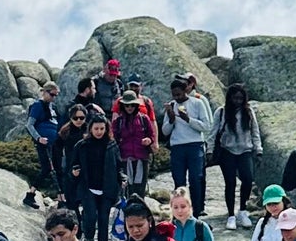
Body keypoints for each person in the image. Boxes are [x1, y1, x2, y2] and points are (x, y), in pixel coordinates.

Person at [160, 77, 217, 214]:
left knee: (196, 179)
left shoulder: (197, 103)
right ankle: (180, 212)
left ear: (185, 90)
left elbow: (206, 126)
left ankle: (196, 212)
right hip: (177, 147)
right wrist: (172, 119)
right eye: (174, 94)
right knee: (179, 180)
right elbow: (165, 131)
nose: (177, 97)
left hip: (194, 145)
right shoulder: (172, 105)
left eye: (179, 94)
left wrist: (188, 119)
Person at [66, 111, 121, 241]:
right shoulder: (82, 145)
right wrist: (74, 174)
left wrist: (122, 178)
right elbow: (72, 166)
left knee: (103, 220)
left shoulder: (112, 145)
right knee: (90, 217)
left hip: (107, 189)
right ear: (90, 128)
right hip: (87, 188)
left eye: (102, 128)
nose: (99, 131)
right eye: (96, 128)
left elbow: (119, 166)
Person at [214, 84, 264, 226]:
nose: (238, 101)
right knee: (230, 182)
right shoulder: (222, 112)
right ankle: (231, 215)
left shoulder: (248, 112)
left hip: (245, 150)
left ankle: (242, 210)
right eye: (235, 98)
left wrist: (258, 150)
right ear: (229, 98)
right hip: (227, 151)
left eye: (240, 98)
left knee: (247, 179)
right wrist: (210, 150)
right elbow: (213, 132)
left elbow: (255, 132)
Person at [112, 86, 158, 193]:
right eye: (127, 105)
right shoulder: (118, 121)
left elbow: (151, 135)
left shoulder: (144, 118)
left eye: (132, 105)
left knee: (140, 188)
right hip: (124, 159)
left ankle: (139, 208)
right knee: (126, 189)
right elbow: (114, 140)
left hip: (142, 159)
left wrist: (148, 140)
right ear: (123, 106)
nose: (130, 107)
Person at [24, 81, 62, 205]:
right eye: (52, 94)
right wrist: (38, 138)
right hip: (43, 143)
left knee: (58, 169)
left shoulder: (53, 108)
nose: (53, 98)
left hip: (54, 143)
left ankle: (62, 198)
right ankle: (30, 194)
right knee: (46, 169)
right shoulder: (37, 106)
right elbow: (29, 125)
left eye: (56, 95)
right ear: (44, 92)